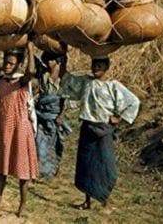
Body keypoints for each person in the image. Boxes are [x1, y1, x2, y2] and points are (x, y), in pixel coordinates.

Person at [60, 56, 140, 210]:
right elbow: (67, 80)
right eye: (94, 65)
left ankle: (104, 199)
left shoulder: (113, 86)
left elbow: (133, 102)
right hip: (88, 127)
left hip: (104, 130)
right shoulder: (86, 82)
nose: (96, 68)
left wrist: (119, 118)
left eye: (100, 65)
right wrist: (64, 58)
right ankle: (87, 201)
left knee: (106, 165)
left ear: (107, 67)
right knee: (86, 166)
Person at [0, 41, 38, 219]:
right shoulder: (1, 80)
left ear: (19, 64)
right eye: (6, 63)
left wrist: (30, 50)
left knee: (22, 170)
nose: (7, 66)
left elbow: (31, 72)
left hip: (20, 129)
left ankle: (23, 205)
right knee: (0, 169)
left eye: (11, 63)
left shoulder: (22, 81)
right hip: (3, 129)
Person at [34, 51, 72, 179]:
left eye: (51, 60)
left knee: (56, 143)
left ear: (58, 61)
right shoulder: (44, 75)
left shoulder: (63, 78)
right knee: (40, 142)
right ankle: (41, 170)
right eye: (47, 60)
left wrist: (61, 115)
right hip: (42, 113)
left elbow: (64, 99)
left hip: (54, 115)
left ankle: (54, 168)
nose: (48, 63)